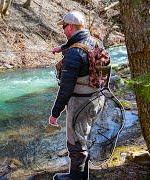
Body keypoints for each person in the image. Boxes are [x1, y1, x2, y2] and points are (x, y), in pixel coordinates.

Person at [49, 11, 105, 180]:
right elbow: (82, 48)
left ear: (71, 27)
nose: (63, 30)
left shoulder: (74, 53)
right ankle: (83, 175)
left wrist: (55, 113)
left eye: (64, 27)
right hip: (97, 99)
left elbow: (65, 89)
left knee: (75, 143)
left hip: (80, 105)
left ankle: (75, 177)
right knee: (84, 138)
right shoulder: (96, 42)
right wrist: (62, 48)